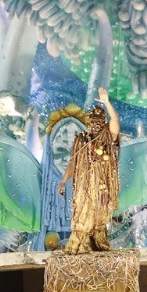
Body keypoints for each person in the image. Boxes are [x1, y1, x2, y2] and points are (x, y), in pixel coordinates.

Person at [56, 87, 120, 254]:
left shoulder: (107, 137)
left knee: (100, 217)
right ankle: (79, 245)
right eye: (94, 121)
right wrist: (63, 181)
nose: (97, 124)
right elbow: (73, 162)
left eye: (101, 121)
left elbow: (115, 122)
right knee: (82, 215)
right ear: (90, 122)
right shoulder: (81, 140)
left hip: (101, 185)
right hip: (84, 186)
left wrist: (107, 103)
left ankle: (98, 243)